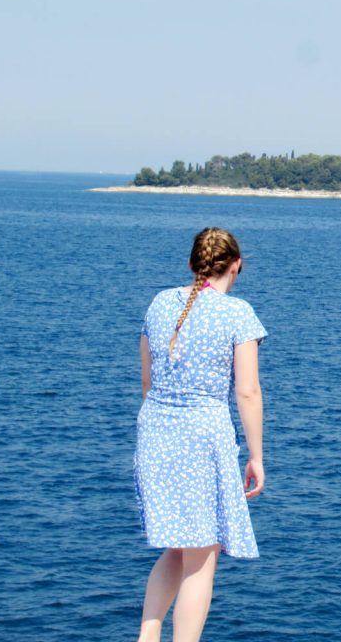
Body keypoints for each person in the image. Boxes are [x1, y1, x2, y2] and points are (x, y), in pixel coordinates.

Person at [134, 227, 267, 642]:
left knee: (178, 546)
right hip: (202, 439)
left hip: (155, 430)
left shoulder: (159, 304)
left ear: (192, 265)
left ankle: (147, 636)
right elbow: (247, 392)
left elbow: (147, 379)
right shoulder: (237, 313)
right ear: (237, 266)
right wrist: (257, 457)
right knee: (202, 556)